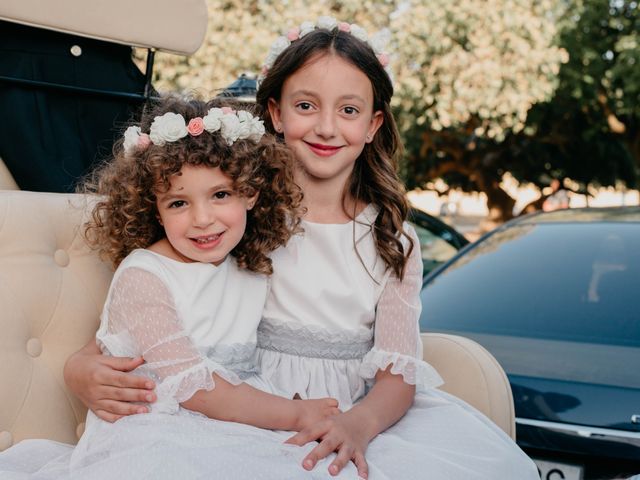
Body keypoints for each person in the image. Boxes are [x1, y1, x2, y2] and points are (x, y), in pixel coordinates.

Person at [63, 18, 539, 479]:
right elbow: (156, 305)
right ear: (275, 112)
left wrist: (359, 424)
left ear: (373, 124)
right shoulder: (234, 213)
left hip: (355, 410)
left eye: (348, 111)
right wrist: (79, 366)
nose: (326, 128)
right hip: (250, 399)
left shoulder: (392, 236)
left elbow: (398, 374)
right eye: (306, 106)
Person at [0, 95, 343, 478]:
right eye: (178, 203)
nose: (201, 219)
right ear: (154, 209)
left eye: (220, 194)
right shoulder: (145, 275)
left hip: (238, 419)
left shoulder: (250, 266)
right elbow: (194, 390)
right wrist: (295, 413)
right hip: (159, 429)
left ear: (250, 193)